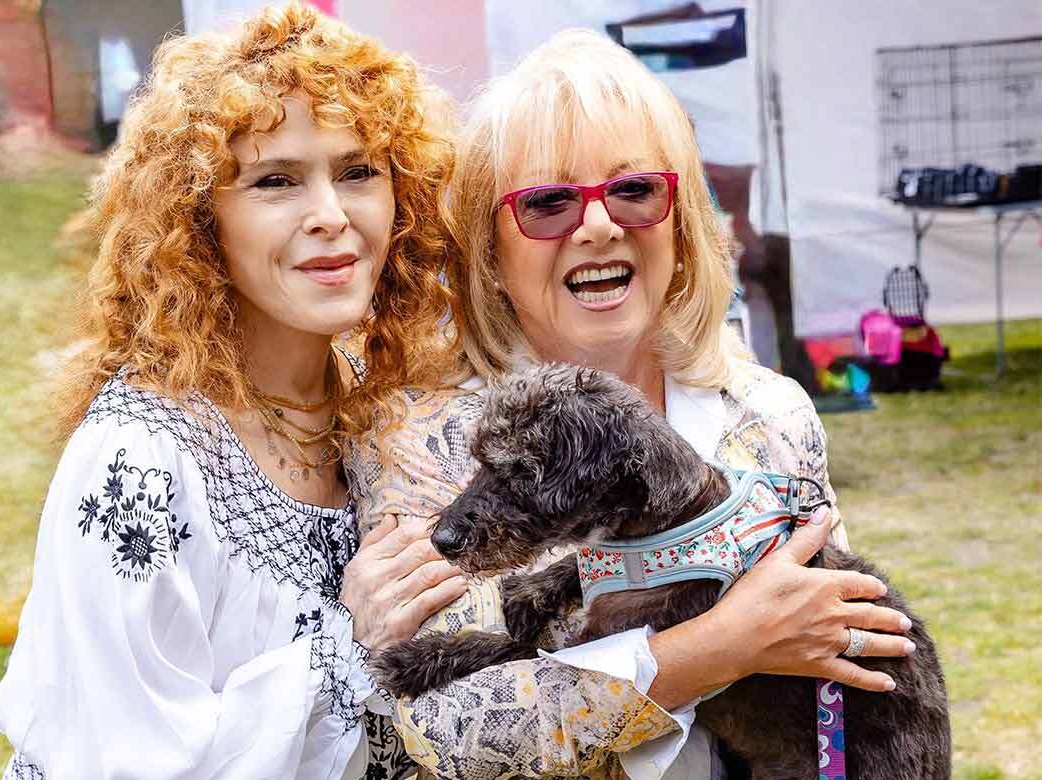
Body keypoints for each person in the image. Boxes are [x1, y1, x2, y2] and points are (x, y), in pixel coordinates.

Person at [342, 30, 915, 779]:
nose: (600, 224)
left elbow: (837, 644)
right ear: (489, 249)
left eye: (634, 190)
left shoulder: (767, 412)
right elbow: (449, 727)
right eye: (548, 203)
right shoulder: (423, 435)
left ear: (678, 223)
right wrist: (720, 648)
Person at [0, 5, 467, 778]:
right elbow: (123, 761)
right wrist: (350, 640)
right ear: (200, 222)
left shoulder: (384, 409)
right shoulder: (137, 463)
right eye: (275, 181)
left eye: (358, 171)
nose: (331, 216)